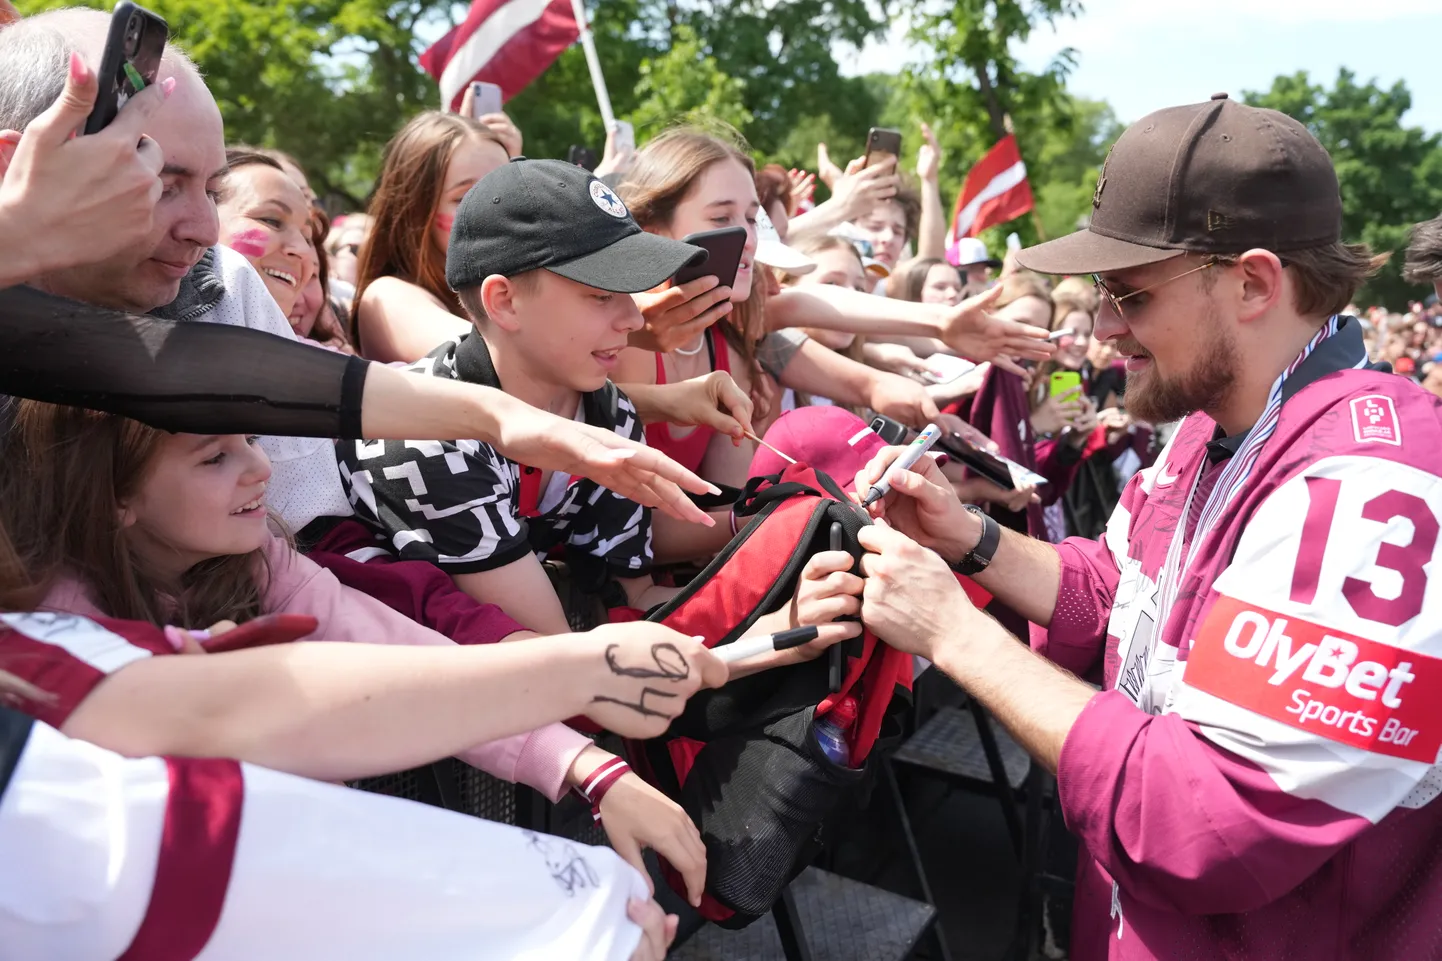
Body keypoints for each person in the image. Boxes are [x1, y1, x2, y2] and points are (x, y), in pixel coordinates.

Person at [854, 94, 1439, 961]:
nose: (1103, 327)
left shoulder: (1367, 481)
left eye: (1128, 292)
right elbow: (1117, 586)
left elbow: (1202, 818)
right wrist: (967, 535)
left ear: (1253, 282)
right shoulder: (1217, 417)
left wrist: (952, 634)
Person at [338, 158, 863, 662]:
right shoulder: (426, 439)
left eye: (630, 291)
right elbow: (557, 651)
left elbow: (631, 597)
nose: (634, 319)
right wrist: (771, 628)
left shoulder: (605, 410)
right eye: (599, 295)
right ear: (503, 301)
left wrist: (786, 527)